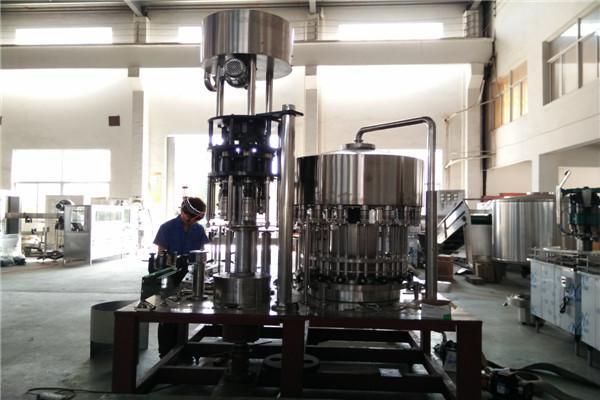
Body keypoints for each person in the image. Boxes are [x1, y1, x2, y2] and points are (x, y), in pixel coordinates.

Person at [153, 196, 210, 358]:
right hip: (169, 275)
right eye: (191, 218)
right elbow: (161, 254)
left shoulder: (198, 230)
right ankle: (165, 353)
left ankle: (181, 349)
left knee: (183, 314)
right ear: (183, 213)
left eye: (196, 219)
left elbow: (202, 254)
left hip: (189, 277)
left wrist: (202, 271)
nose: (193, 222)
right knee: (167, 316)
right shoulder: (167, 228)